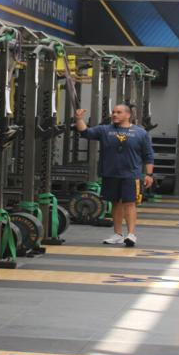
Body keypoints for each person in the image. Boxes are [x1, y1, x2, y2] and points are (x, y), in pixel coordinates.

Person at [73, 103, 154, 247]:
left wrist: (149, 174)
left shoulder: (140, 133)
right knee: (116, 203)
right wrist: (79, 119)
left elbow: (148, 155)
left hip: (131, 174)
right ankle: (117, 234)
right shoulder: (105, 130)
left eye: (119, 112)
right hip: (110, 173)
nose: (115, 114)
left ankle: (131, 234)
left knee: (130, 203)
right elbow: (85, 132)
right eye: (113, 112)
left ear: (128, 115)